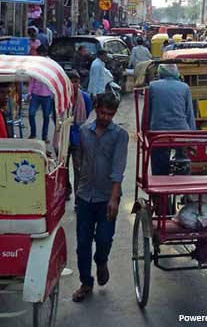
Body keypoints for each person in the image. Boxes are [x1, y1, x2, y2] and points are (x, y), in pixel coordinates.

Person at [72, 93, 128, 302]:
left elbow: (118, 166)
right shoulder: (84, 132)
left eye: (110, 114)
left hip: (107, 196)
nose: (106, 117)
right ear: (96, 108)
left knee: (104, 238)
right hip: (85, 195)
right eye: (103, 112)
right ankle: (86, 282)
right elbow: (80, 160)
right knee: (82, 243)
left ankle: (101, 260)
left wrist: (114, 197)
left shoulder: (120, 135)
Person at [147, 64, 195, 175]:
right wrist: (192, 139)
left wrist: (145, 134)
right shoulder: (184, 87)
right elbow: (189, 114)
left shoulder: (152, 86)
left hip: (158, 134)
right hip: (181, 133)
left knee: (159, 167)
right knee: (182, 163)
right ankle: (182, 179)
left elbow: (147, 113)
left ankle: (160, 185)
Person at [66, 71, 92, 199]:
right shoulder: (61, 97)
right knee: (63, 168)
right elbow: (55, 116)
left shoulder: (86, 98)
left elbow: (86, 115)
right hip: (63, 138)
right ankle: (66, 191)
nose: (73, 85)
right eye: (71, 81)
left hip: (78, 137)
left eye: (75, 82)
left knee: (78, 169)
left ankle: (78, 197)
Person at [28, 46, 55, 141]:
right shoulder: (36, 63)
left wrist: (54, 92)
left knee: (46, 116)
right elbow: (32, 78)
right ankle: (33, 133)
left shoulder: (50, 63)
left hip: (47, 94)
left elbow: (53, 78)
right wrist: (29, 92)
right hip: (36, 93)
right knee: (31, 114)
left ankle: (44, 136)